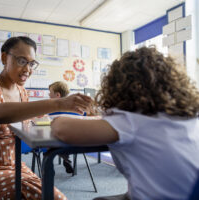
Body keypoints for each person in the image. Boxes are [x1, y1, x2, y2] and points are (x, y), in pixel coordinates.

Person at [51, 47, 199, 200]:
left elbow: (62, 129)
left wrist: (57, 117)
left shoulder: (130, 120)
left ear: (119, 86)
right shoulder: (190, 115)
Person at [0, 36, 93, 200]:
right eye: (21, 61)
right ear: (4, 57)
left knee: (52, 196)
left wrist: (63, 123)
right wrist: (57, 104)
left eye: (32, 63)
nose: (28, 69)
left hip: (15, 166)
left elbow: (30, 124)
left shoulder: (22, 92)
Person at [48, 81, 74, 174]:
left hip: (54, 139)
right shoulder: (74, 108)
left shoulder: (51, 109)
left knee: (48, 147)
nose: (48, 95)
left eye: (50, 93)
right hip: (74, 141)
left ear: (57, 95)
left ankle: (48, 167)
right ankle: (67, 160)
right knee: (64, 145)